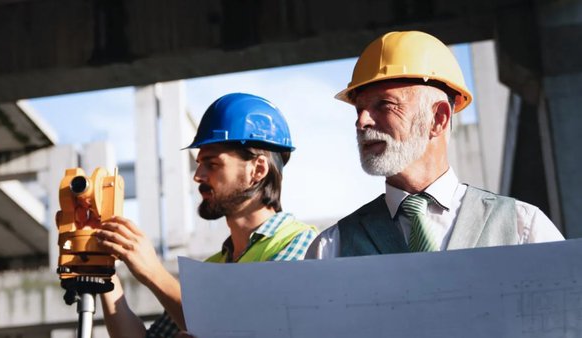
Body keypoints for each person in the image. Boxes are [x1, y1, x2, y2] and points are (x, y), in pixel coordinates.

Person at [306, 31, 564, 259]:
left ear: (438, 119)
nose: (361, 122)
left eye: (384, 105)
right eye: (359, 109)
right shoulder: (331, 249)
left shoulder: (523, 228)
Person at [96, 93, 317, 337]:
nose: (198, 175)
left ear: (258, 169)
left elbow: (245, 329)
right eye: (200, 162)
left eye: (212, 164)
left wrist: (153, 272)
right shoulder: (213, 268)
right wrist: (105, 274)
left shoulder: (304, 245)